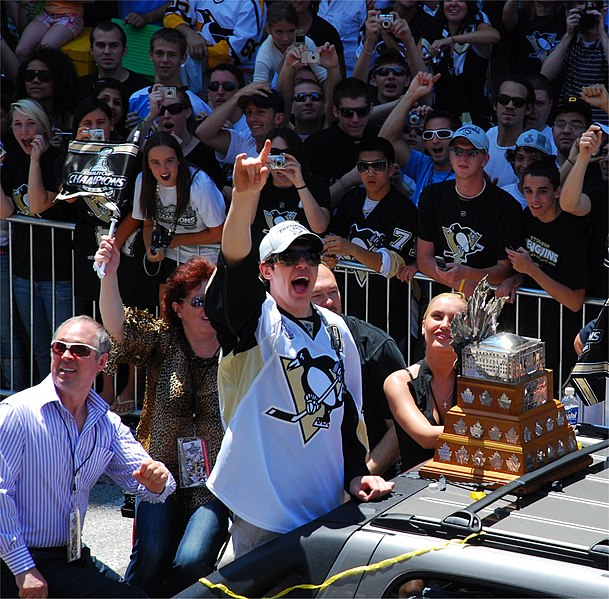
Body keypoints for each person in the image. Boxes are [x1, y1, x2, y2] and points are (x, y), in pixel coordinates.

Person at [204, 141, 394, 560]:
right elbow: (234, 264)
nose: (302, 264)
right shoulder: (253, 324)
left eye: (309, 255)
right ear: (267, 270)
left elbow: (346, 415)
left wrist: (354, 476)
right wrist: (244, 198)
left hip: (325, 506)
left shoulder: (337, 329)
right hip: (263, 507)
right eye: (288, 258)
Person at [0, 315, 175, 599]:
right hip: (15, 558)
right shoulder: (17, 413)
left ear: (102, 363)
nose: (67, 356)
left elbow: (151, 484)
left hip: (70, 554)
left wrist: (158, 480)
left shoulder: (106, 423)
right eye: (59, 347)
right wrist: (23, 569)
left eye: (80, 350)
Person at [95, 243, 228, 597]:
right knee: (151, 554)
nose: (207, 309)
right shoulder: (164, 341)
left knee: (193, 559)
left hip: (213, 482)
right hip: (158, 473)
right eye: (198, 302)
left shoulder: (236, 347)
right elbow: (119, 327)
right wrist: (109, 276)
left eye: (212, 300)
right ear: (177, 307)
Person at [0, 99, 77, 382]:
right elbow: (5, 211)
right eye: (18, 124)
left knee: (65, 351)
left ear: (43, 126)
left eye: (30, 123)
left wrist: (35, 160)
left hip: (58, 275)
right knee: (40, 350)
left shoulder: (59, 159)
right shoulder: (10, 162)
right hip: (23, 271)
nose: (24, 130)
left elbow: (35, 205)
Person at [497, 160, 589, 391]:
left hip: (562, 336)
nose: (534, 200)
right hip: (528, 329)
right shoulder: (526, 217)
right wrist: (514, 279)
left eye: (542, 192)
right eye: (528, 191)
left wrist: (530, 269)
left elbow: (575, 301)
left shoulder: (573, 231)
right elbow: (525, 271)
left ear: (557, 192)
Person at [324, 136, 418, 356]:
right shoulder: (351, 199)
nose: (370, 173)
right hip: (349, 309)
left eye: (378, 166)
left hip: (389, 314)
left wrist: (351, 249)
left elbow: (391, 264)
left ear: (391, 169)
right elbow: (332, 242)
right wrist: (328, 257)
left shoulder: (404, 210)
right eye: (363, 167)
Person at [312, 264, 406, 478]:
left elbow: (399, 428)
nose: (329, 302)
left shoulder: (375, 346)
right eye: (317, 295)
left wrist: (360, 478)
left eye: (333, 292)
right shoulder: (283, 345)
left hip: (366, 483)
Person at [417, 125, 524, 297]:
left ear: (485, 159)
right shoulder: (431, 196)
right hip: (440, 298)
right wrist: (460, 284)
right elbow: (424, 260)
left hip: (487, 302)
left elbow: (504, 269)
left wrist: (467, 273)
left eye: (472, 153)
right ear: (450, 156)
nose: (463, 158)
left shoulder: (507, 206)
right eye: (457, 151)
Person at [384, 292, 467, 472]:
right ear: (423, 325)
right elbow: (425, 437)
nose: (445, 325)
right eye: (437, 316)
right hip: (416, 486)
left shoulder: (477, 381)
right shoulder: (398, 382)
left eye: (455, 320)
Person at [132, 132, 225, 278]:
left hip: (207, 255)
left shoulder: (200, 185)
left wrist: (177, 241)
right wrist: (150, 247)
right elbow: (148, 224)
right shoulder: (143, 181)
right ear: (148, 164)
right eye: (155, 162)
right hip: (171, 254)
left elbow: (218, 233)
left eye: (169, 161)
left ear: (179, 160)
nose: (163, 170)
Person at [380, 70, 458, 205]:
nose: (435, 140)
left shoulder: (467, 174)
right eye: (428, 135)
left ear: (457, 139)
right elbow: (386, 140)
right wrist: (410, 96)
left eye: (443, 134)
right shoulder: (423, 165)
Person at [419, 0, 500, 128]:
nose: (454, 4)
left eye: (461, 0)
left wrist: (451, 40)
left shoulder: (476, 27)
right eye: (448, 0)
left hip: (476, 114)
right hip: (442, 113)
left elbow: (494, 36)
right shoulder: (433, 32)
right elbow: (418, 71)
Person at [250, 126, 330, 250]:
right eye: (274, 154)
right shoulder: (257, 185)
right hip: (264, 261)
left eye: (287, 154)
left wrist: (299, 183)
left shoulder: (316, 184)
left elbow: (319, 227)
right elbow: (245, 223)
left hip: (301, 260)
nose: (280, 161)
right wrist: (257, 184)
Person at [305, 77, 377, 203]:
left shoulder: (380, 138)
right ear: (336, 111)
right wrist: (346, 182)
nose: (355, 119)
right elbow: (313, 205)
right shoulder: (316, 145)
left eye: (361, 111)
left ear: (370, 109)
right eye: (347, 112)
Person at [163, 0, 266, 88]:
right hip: (198, 70)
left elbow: (237, 51)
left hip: (237, 76)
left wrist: (199, 50)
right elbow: (171, 15)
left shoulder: (252, 3)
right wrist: (191, 35)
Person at [541, 1, 609, 126]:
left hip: (603, 123)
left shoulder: (606, 40)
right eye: (580, 13)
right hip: (569, 119)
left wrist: (602, 33)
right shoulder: (569, 40)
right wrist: (568, 35)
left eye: (590, 13)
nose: (586, 18)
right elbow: (545, 75)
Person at [128, 28, 211, 125]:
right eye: (159, 53)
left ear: (183, 59)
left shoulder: (196, 104)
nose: (165, 60)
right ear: (151, 55)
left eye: (172, 55)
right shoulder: (136, 98)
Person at [254, 2, 327, 86]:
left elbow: (322, 77)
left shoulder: (304, 43)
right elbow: (258, 90)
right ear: (268, 29)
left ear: (298, 28)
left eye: (291, 31)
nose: (286, 38)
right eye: (279, 32)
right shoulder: (265, 54)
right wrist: (284, 66)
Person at [15, 47, 79, 141]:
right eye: (30, 75)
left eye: (44, 76)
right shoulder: (16, 113)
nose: (35, 80)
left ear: (59, 79)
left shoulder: (72, 118)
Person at [77, 21, 151, 100]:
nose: (107, 51)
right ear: (91, 50)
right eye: (100, 45)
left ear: (124, 50)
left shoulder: (144, 90)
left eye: (114, 45)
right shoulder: (80, 87)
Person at [484, 78, 535, 188]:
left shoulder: (535, 146)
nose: (510, 106)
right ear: (495, 104)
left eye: (518, 102)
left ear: (528, 109)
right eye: (503, 99)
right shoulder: (488, 136)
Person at [14, 0, 86, 63]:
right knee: (21, 51)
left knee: (43, 51)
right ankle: (25, 77)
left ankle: (45, 77)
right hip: (47, 13)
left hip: (71, 15)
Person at [502, 129, 556, 209]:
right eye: (520, 158)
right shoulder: (502, 196)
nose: (525, 165)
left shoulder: (554, 199)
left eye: (533, 159)